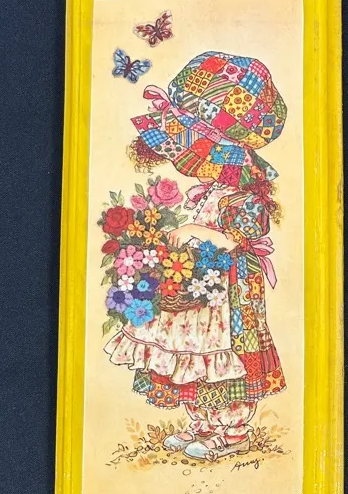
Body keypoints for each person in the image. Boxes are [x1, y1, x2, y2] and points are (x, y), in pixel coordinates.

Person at [104, 51, 287, 462]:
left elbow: (239, 239)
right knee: (195, 352)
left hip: (230, 292)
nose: (193, 164)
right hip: (202, 292)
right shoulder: (210, 192)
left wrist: (193, 232)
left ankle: (232, 429)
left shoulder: (244, 196)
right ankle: (203, 423)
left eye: (204, 155)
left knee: (224, 355)